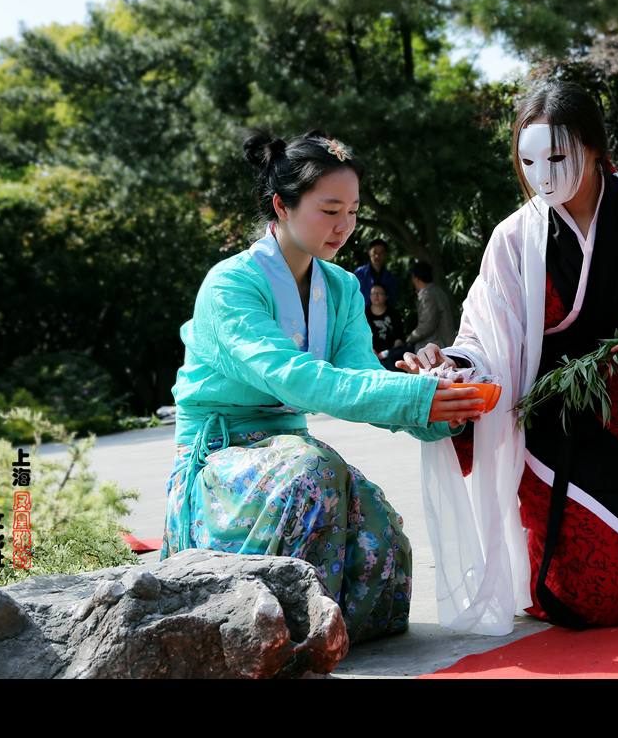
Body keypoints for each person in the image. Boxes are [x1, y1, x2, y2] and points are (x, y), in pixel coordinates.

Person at [397, 81, 618, 635]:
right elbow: (484, 338)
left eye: (557, 158)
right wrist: (449, 365)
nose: (543, 176)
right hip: (551, 420)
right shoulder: (512, 239)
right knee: (591, 596)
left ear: (594, 148)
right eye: (529, 162)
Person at [160, 128, 485, 644]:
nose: (344, 226)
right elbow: (296, 378)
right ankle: (278, 630)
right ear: (282, 205)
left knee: (380, 533)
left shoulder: (341, 286)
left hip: (291, 458)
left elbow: (361, 379)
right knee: (315, 472)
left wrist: (437, 399)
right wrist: (413, 399)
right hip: (219, 460)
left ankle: (319, 631)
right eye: (330, 210)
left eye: (352, 212)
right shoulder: (230, 285)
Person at [404, 261, 456, 352]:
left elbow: (427, 326)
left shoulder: (428, 296)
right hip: (444, 344)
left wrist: (409, 339)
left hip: (437, 346)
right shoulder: (438, 291)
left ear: (416, 279)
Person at [366, 283, 408, 371]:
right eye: (373, 293)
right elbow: (361, 335)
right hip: (369, 351)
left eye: (380, 293)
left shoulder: (393, 313)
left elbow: (399, 337)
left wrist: (388, 352)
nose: (376, 296)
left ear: (386, 296)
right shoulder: (364, 313)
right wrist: (370, 349)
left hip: (391, 353)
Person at [354, 238, 399, 308]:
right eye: (374, 252)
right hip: (362, 312)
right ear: (369, 252)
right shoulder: (359, 273)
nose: (377, 256)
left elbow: (393, 301)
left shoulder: (391, 277)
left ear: (385, 254)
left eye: (381, 253)